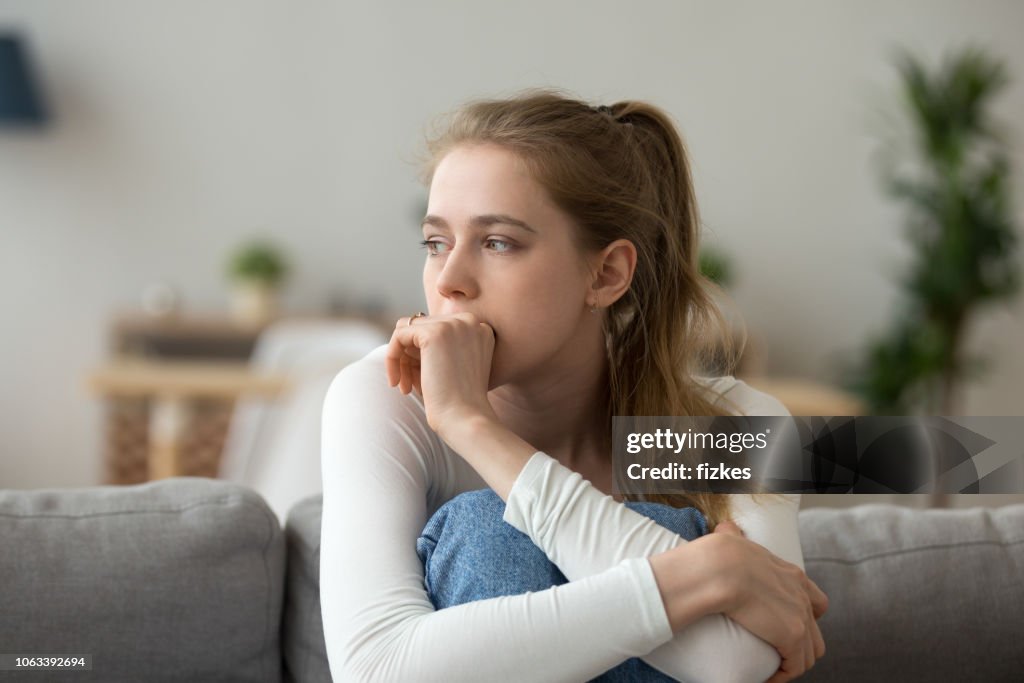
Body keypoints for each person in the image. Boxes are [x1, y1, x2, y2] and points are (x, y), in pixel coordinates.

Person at [321, 90, 828, 682]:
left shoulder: (724, 427)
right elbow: (375, 672)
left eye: (497, 242)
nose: (450, 281)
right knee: (486, 531)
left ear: (606, 273)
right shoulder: (388, 399)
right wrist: (701, 574)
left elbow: (736, 664)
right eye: (436, 243)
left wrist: (478, 431)